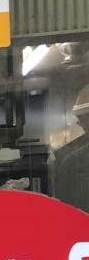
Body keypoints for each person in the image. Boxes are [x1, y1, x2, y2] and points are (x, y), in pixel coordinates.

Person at [53, 83, 89, 214]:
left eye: (82, 120)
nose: (82, 126)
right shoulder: (73, 162)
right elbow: (67, 215)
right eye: (81, 120)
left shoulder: (73, 162)